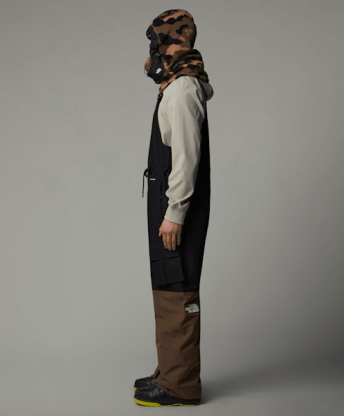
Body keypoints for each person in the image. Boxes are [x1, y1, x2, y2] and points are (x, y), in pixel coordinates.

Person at [134, 9, 214, 407]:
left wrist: (174, 213)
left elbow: (186, 158)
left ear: (170, 44)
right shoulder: (175, 86)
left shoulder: (183, 90)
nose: (149, 54)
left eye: (155, 44)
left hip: (176, 207)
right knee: (167, 282)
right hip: (168, 203)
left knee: (177, 286)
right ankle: (170, 370)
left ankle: (180, 385)